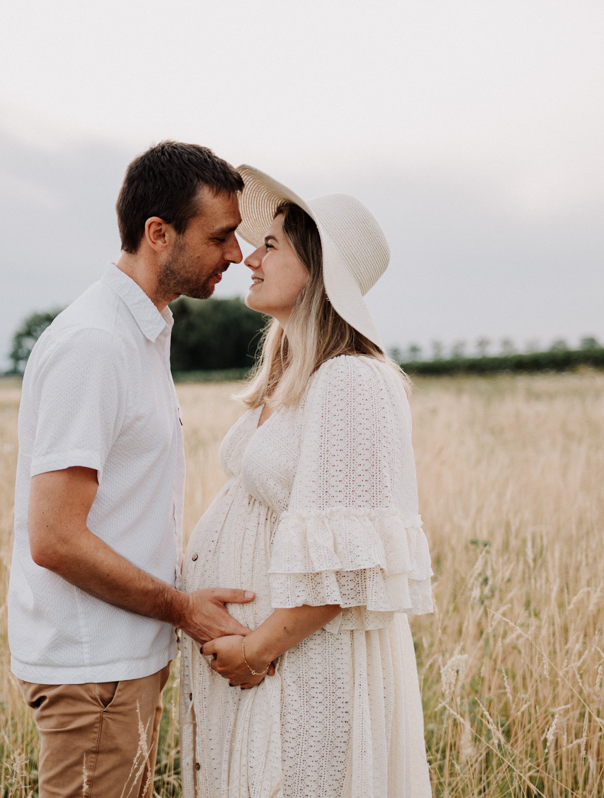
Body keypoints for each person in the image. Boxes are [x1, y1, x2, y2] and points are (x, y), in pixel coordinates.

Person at [7, 141, 258, 798]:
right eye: (222, 236)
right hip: (95, 672)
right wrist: (184, 610)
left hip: (118, 666)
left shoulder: (139, 333)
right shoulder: (96, 344)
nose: (237, 254)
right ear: (158, 234)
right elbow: (55, 537)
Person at [179, 165, 435, 797]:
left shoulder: (351, 381)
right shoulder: (293, 374)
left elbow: (351, 565)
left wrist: (257, 648)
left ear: (317, 271)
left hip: (304, 670)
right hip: (268, 667)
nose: (250, 259)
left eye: (271, 246)